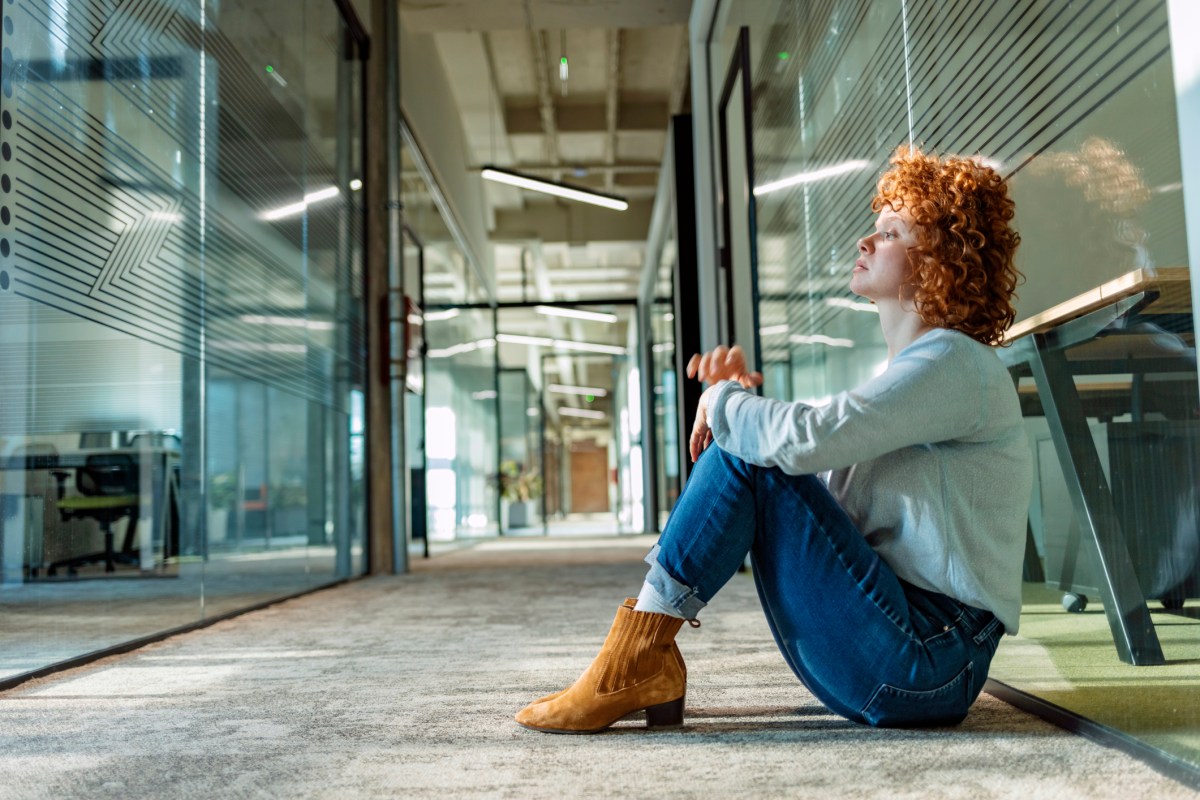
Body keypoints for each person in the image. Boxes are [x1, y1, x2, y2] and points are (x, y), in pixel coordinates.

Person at [515, 145, 1031, 733]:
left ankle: (637, 657)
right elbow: (821, 494)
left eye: (891, 232)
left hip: (929, 659)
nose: (865, 241)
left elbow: (807, 439)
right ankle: (641, 657)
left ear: (941, 260)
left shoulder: (954, 363)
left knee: (750, 445)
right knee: (751, 444)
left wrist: (730, 406)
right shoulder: (916, 374)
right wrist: (742, 404)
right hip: (909, 649)